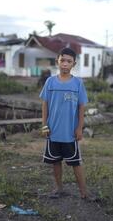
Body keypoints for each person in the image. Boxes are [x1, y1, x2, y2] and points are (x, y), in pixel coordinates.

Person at [40, 47, 93, 200]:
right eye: (62, 60)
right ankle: (58, 188)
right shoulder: (50, 82)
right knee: (55, 162)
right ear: (57, 60)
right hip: (53, 131)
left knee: (76, 163)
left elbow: (81, 107)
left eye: (68, 61)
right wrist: (44, 125)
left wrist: (79, 128)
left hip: (70, 133)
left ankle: (84, 192)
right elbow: (45, 105)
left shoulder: (77, 83)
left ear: (73, 64)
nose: (65, 64)